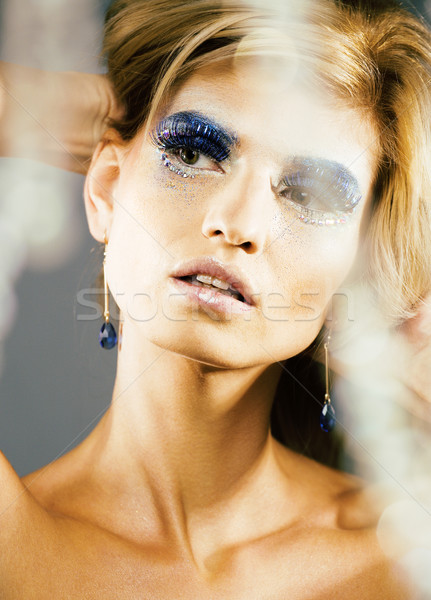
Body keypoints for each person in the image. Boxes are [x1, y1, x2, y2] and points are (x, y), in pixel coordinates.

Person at [0, 0, 430, 597]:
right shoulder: (14, 542)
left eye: (308, 194)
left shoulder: (407, 556)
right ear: (104, 190)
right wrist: (73, 109)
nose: (237, 222)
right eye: (192, 151)